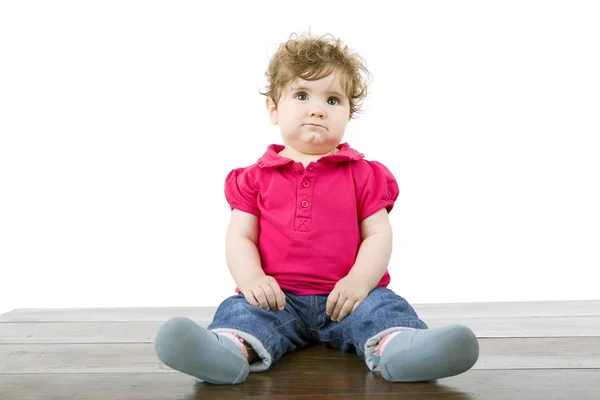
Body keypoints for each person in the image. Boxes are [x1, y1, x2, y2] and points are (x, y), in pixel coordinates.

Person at [154, 32, 479, 385]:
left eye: (333, 99)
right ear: (274, 109)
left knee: (383, 309)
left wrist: (359, 280)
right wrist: (251, 279)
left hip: (348, 296)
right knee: (242, 312)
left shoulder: (364, 173)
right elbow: (240, 235)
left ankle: (405, 349)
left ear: (349, 114)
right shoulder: (254, 178)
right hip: (277, 297)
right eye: (302, 95)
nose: (317, 108)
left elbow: (378, 234)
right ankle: (225, 350)